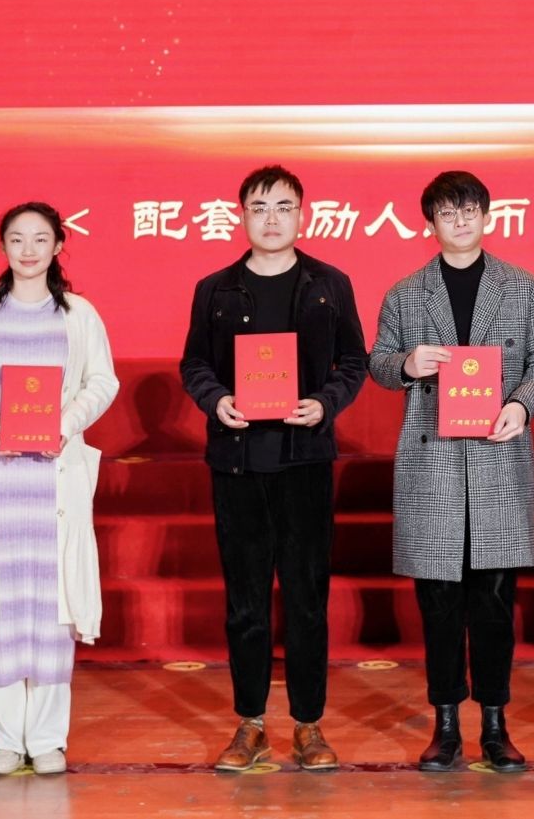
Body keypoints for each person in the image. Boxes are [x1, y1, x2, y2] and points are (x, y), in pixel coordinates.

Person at [178, 164, 368, 772]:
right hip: (237, 464)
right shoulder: (215, 289)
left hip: (305, 460)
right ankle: (251, 723)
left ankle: (309, 725)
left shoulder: (329, 284)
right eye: (259, 208)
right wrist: (216, 400)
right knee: (246, 603)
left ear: (301, 214)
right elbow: (193, 365)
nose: (272, 219)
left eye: (284, 207)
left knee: (307, 600)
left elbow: (354, 361)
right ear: (241, 216)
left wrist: (326, 403)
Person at [369, 170, 534, 772]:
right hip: (434, 464)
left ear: (486, 215)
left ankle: (496, 724)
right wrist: (408, 362)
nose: (459, 221)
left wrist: (521, 404)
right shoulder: (406, 293)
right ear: (431, 222)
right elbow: (377, 362)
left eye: (469, 210)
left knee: (496, 603)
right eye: (447, 213)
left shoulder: (522, 287)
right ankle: (446, 724)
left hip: (498, 455)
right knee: (440, 604)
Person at [0, 201, 120, 777]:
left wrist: (65, 423)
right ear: (3, 247)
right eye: (17, 239)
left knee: (52, 608)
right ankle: (4, 740)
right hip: (1, 480)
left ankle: (46, 740)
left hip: (54, 481)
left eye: (41, 239)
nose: (29, 250)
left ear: (59, 245)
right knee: (2, 609)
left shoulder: (79, 316)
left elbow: (102, 381)